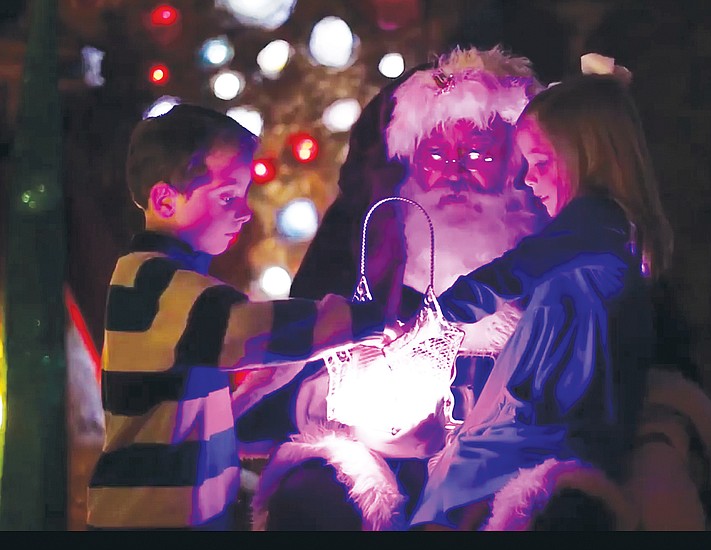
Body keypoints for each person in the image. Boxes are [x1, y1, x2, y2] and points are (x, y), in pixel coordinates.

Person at [240, 45, 550, 530]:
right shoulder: (371, 245)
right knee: (321, 499)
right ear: (409, 160)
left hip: (507, 455)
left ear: (514, 164)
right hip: (375, 457)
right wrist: (370, 424)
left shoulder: (548, 249)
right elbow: (297, 373)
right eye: (436, 155)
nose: (454, 172)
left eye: (478, 154)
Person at [85, 104, 385, 530]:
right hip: (147, 519)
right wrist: (361, 320)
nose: (244, 212)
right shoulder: (153, 282)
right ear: (165, 200)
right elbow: (247, 333)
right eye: (227, 196)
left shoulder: (177, 281)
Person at [408, 66, 675, 530]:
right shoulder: (600, 232)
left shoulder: (597, 220)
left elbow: (515, 271)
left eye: (541, 163)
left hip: (541, 431)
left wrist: (431, 315)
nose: (529, 181)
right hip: (534, 427)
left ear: (586, 155)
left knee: (455, 506)